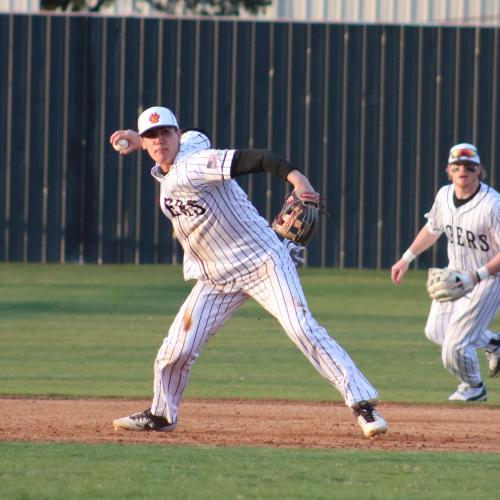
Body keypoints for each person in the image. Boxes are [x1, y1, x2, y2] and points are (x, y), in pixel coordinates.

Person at [109, 106, 387, 438]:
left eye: (165, 133)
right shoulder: (191, 145)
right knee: (176, 349)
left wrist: (296, 178)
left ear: (178, 135)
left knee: (301, 328)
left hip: (263, 261)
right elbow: (173, 144)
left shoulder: (194, 165)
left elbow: (259, 158)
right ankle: (162, 414)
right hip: (216, 278)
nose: (159, 141)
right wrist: (138, 140)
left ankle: (363, 405)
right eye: (151, 136)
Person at [391, 143, 500, 401]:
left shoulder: (492, 204)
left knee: (455, 346)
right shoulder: (444, 195)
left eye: (469, 166)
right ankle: (493, 343)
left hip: (488, 279)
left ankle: (473, 388)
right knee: (436, 331)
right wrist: (406, 258)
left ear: (478, 171)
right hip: (454, 276)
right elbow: (433, 229)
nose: (463, 170)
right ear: (448, 170)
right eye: (457, 166)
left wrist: (477, 276)